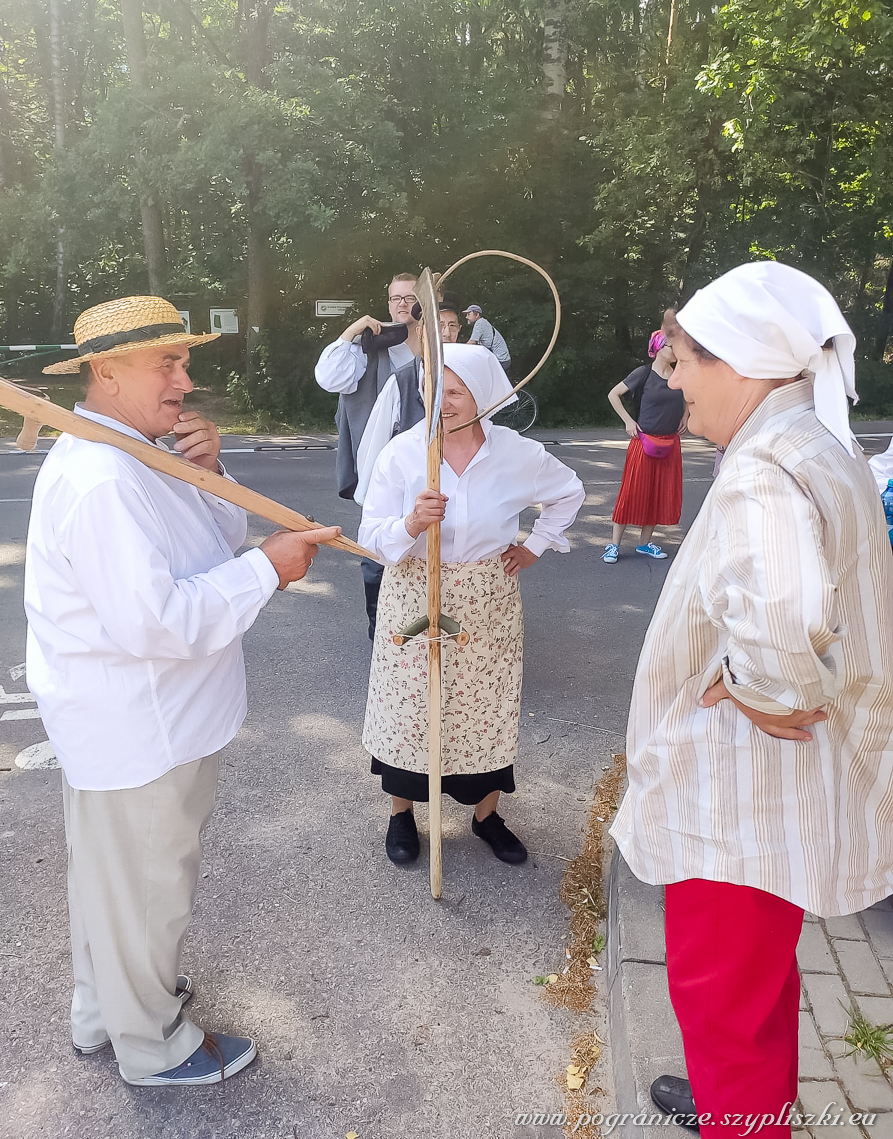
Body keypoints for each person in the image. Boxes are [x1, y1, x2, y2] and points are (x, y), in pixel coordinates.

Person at [609, 262, 893, 1137]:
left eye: (681, 360)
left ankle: (741, 1116)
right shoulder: (813, 441)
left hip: (736, 800)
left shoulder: (761, 468)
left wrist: (751, 684)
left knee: (721, 1003)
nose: (670, 379)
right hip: (772, 795)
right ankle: (745, 1105)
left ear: (737, 362)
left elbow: (781, 617)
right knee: (755, 993)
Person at [27, 296, 340, 1087]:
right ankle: (152, 1044)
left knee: (113, 881)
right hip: (140, 727)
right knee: (147, 891)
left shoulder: (133, 450)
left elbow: (208, 544)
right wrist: (271, 567)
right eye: (165, 362)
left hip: (145, 722)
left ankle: (106, 1011)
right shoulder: (103, 474)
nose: (184, 378)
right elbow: (158, 622)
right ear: (106, 372)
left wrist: (209, 476)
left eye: (182, 358)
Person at [358, 345, 585, 866]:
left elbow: (568, 491)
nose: (440, 402)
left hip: (487, 599)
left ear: (483, 394)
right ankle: (402, 814)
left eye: (454, 392)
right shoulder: (402, 453)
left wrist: (535, 545)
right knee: (413, 707)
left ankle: (486, 815)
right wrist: (410, 525)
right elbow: (371, 536)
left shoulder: (515, 454)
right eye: (430, 390)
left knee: (485, 707)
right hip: (416, 590)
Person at [315, 273, 423, 638]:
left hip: (431, 470)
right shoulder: (367, 350)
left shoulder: (438, 350)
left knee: (427, 551)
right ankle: (381, 633)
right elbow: (329, 377)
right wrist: (352, 331)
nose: (402, 304)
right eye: (396, 298)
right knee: (378, 553)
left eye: (410, 297)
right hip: (381, 471)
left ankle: (427, 631)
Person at [353, 300, 464, 506]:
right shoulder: (401, 383)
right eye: (439, 325)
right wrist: (372, 505)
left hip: (461, 495)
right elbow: (374, 444)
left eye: (452, 325)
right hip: (411, 500)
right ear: (422, 331)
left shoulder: (474, 380)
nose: (447, 334)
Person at [602, 320, 687, 564]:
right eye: (672, 346)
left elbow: (690, 396)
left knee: (657, 495)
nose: (676, 351)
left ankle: (644, 543)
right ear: (659, 347)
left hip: (670, 443)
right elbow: (613, 394)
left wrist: (686, 414)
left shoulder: (680, 374)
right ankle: (614, 545)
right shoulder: (643, 373)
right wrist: (629, 421)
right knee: (631, 493)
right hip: (643, 443)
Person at [464, 304, 511, 373]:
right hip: (504, 360)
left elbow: (472, 342)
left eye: (469, 314)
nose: (466, 317)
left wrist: (460, 351)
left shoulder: (479, 323)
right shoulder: (483, 322)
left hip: (500, 360)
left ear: (477, 315)